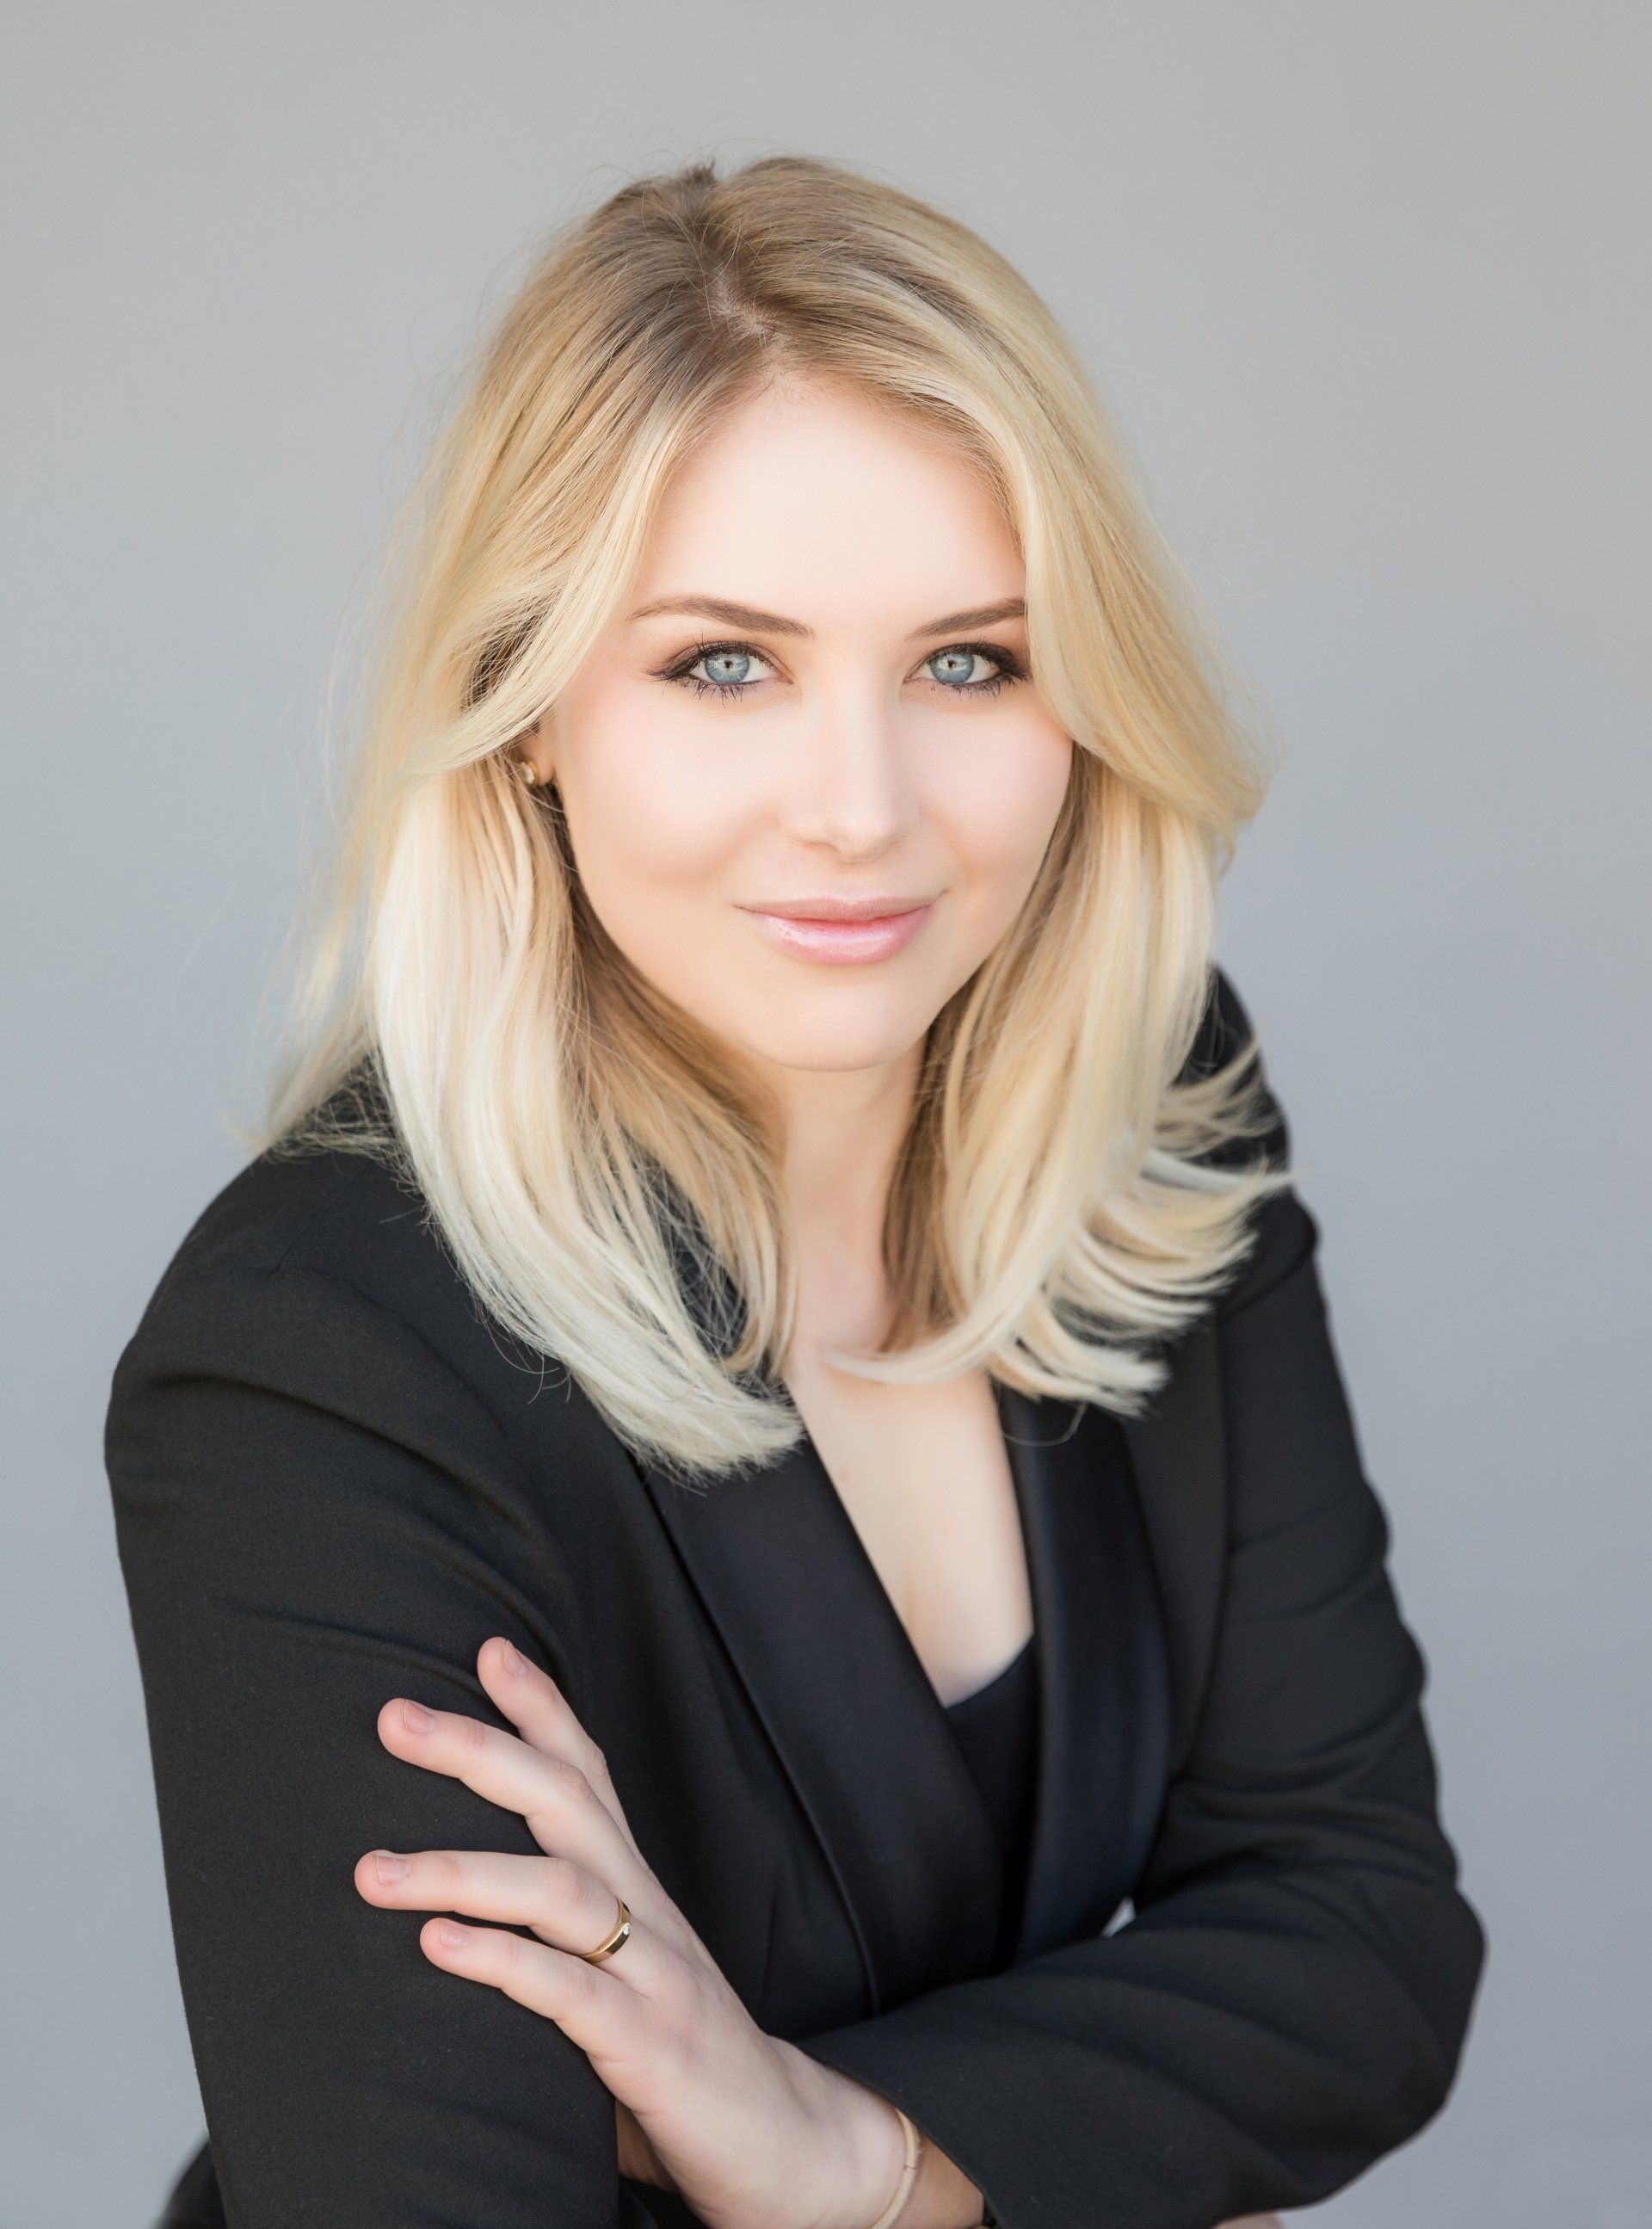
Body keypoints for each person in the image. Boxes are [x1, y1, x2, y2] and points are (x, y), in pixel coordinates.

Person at [105, 153, 1486, 2229]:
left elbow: (1370, 1935)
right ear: (532, 714)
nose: (861, 813)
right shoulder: (319, 1359)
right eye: (723, 664)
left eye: (970, 663)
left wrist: (849, 2155)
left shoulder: (1152, 1097)